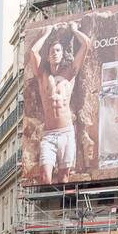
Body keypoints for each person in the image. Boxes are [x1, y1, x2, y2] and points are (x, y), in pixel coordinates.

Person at [26, 20, 91, 184]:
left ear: (62, 54)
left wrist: (75, 30)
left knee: (64, 178)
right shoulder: (43, 76)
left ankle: (63, 208)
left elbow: (86, 44)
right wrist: (46, 33)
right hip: (49, 134)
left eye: (58, 50)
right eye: (52, 51)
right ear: (47, 56)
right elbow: (33, 51)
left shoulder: (70, 74)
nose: (55, 53)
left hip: (66, 132)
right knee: (45, 177)